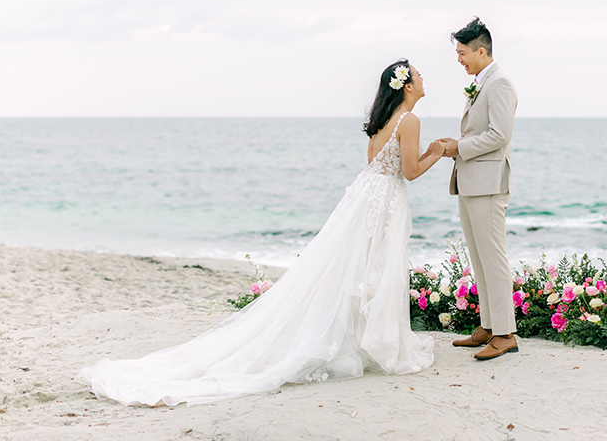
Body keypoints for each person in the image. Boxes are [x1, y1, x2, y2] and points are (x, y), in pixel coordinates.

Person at [78, 60, 445, 406]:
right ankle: (367, 342)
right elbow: (410, 172)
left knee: (354, 269)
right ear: (406, 85)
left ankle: (356, 341)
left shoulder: (384, 119)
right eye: (418, 75)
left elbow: (375, 165)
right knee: (373, 268)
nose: (424, 79)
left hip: (366, 197)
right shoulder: (409, 120)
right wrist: (438, 152)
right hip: (383, 201)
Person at [440, 18, 519, 361]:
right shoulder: (481, 82)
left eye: (462, 53)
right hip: (472, 181)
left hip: (488, 183)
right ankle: (488, 326)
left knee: (493, 259)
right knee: (479, 258)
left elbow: (499, 135)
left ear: (481, 50)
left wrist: (459, 146)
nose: (459, 59)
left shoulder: (499, 83)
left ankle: (505, 334)